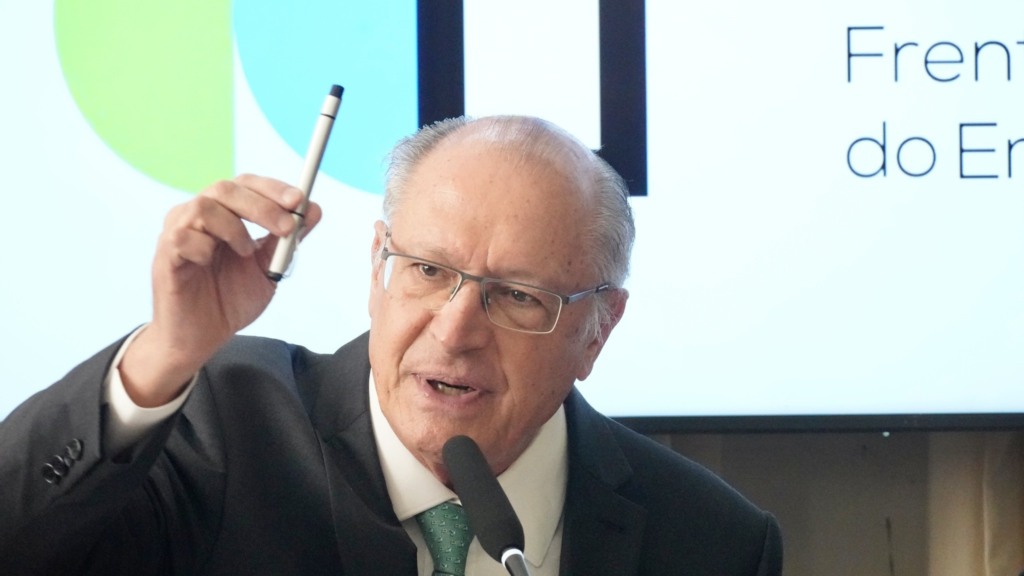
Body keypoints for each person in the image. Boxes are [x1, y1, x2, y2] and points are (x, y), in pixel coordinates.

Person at [0, 115, 782, 575]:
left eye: (515, 296)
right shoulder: (227, 425)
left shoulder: (712, 543)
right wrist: (164, 355)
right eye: (428, 270)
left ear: (598, 328)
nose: (454, 329)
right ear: (378, 262)